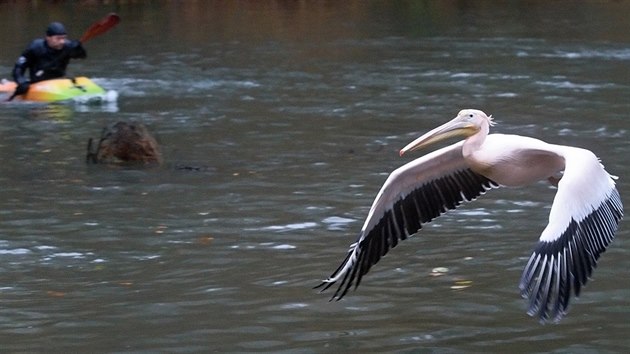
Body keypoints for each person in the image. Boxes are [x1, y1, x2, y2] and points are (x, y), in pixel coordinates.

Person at [11, 22, 87, 97]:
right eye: (58, 38)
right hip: (38, 83)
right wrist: (22, 82)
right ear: (48, 38)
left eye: (64, 38)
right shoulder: (35, 47)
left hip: (60, 82)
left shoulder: (67, 46)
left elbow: (82, 56)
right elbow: (18, 68)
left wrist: (79, 49)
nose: (62, 42)